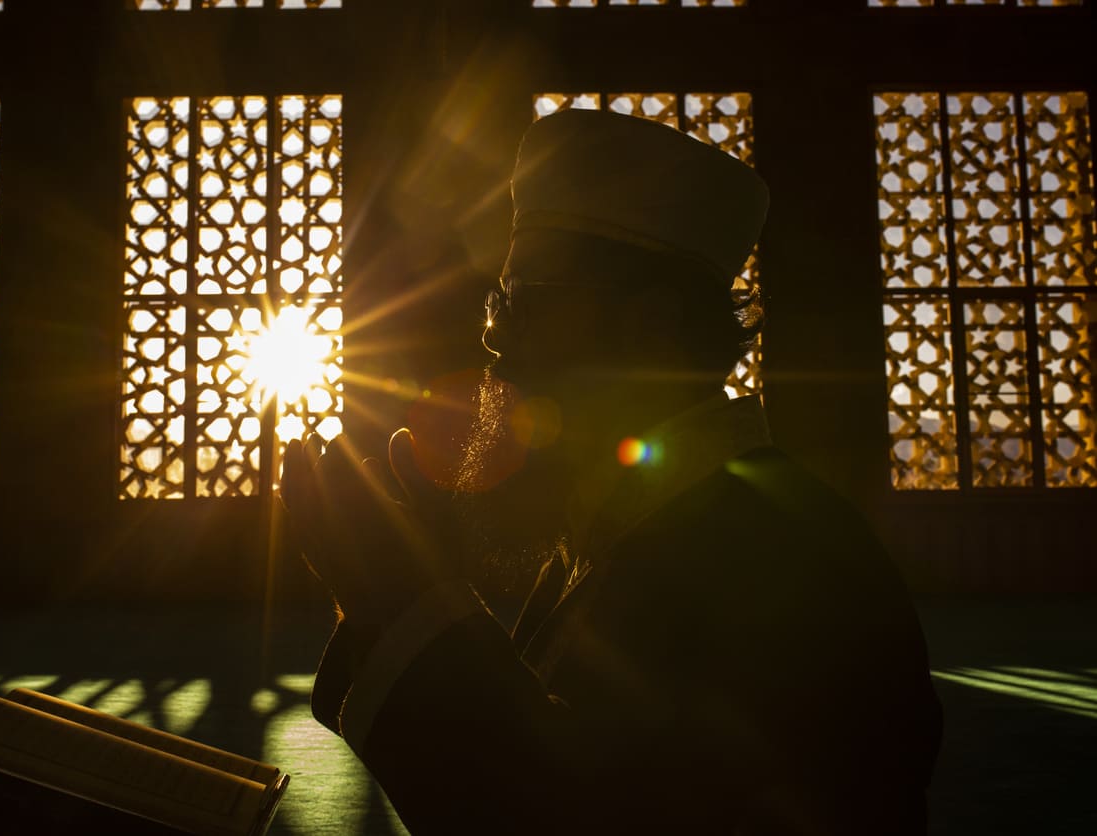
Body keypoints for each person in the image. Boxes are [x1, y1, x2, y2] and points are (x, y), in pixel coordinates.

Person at [280, 109, 942, 835]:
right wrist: (413, 595)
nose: (497, 349)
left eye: (522, 305)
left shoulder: (786, 559)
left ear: (647, 329)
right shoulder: (626, 522)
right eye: (496, 309)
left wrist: (403, 598)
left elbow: (577, 812)